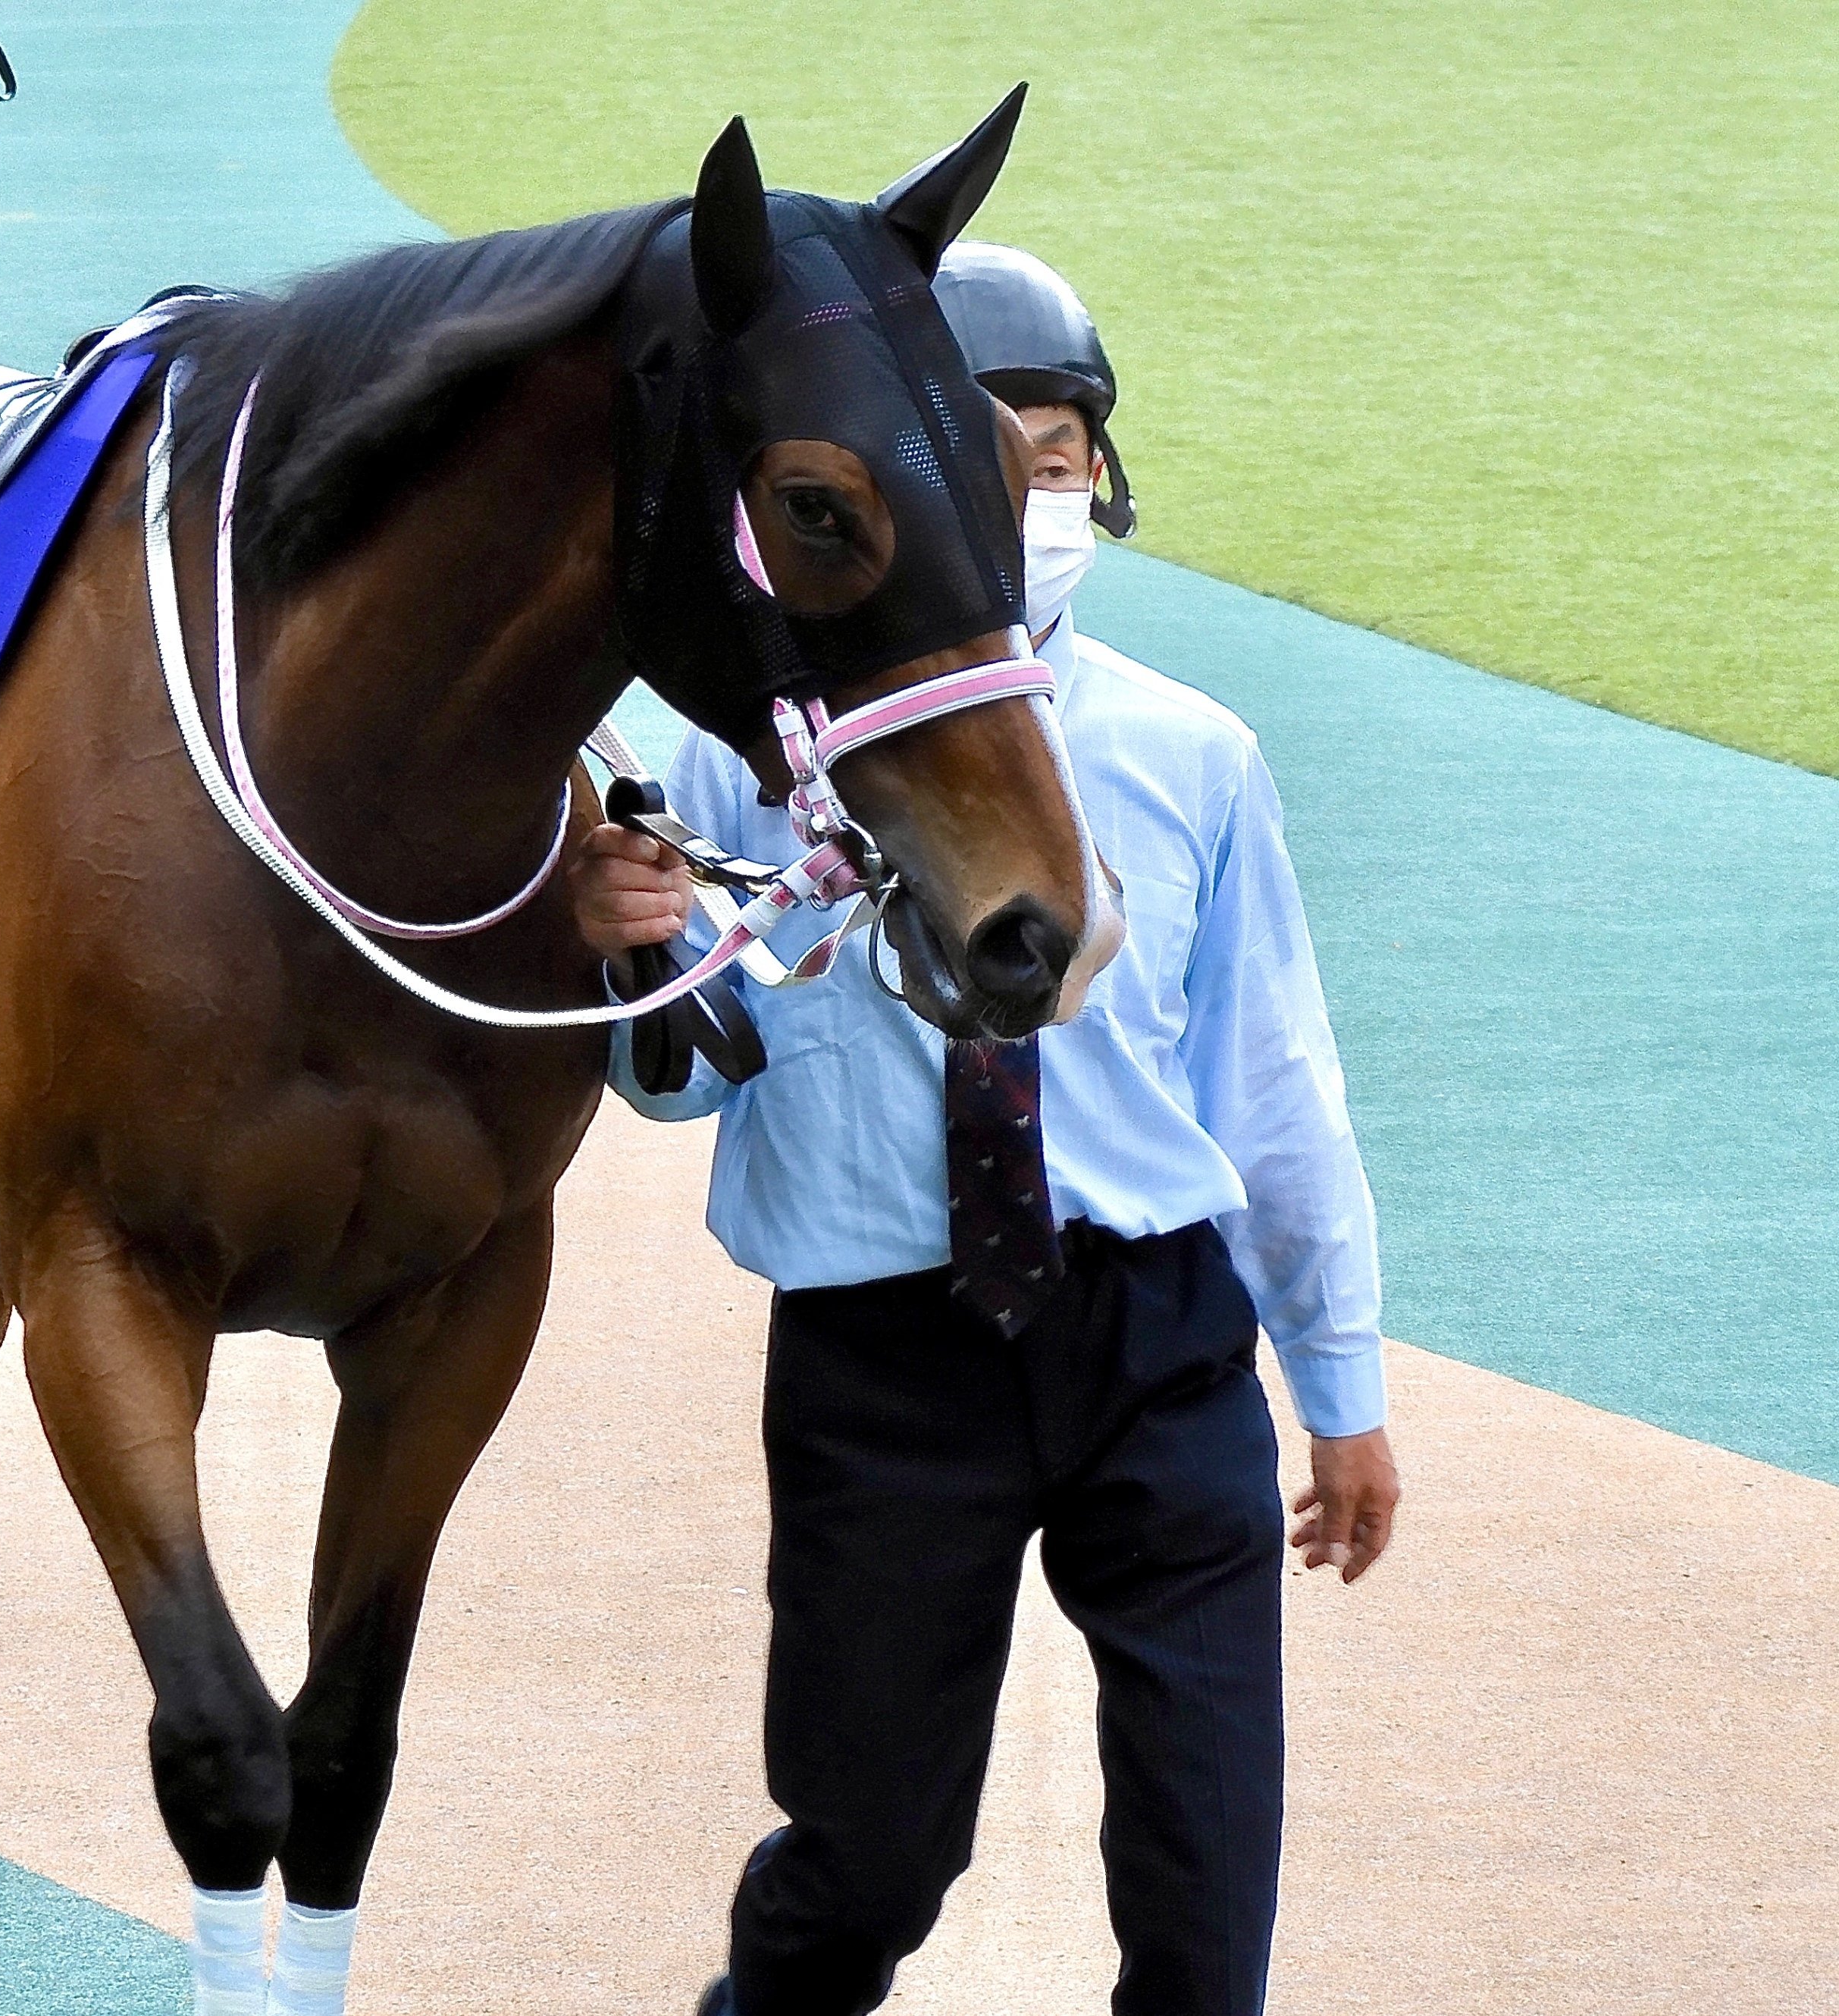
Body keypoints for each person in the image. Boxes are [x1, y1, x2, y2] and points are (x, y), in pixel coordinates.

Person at [572, 243, 1403, 2016]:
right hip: (885, 1369)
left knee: (1203, 1895)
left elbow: (1271, 1085)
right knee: (866, 1862)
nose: (1035, 489)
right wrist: (631, 957)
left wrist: (1338, 1390)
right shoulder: (727, 761)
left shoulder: (1193, 758)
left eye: (1056, 451)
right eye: (989, 448)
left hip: (1157, 1342)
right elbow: (683, 1079)